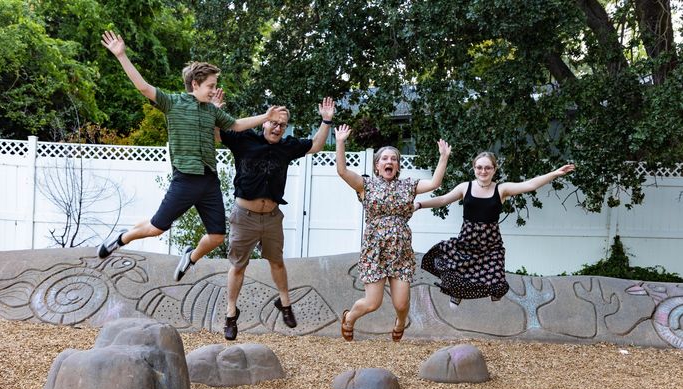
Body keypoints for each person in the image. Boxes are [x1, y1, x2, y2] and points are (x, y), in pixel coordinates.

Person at [96, 30, 288, 282]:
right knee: (156, 228)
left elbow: (236, 125)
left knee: (217, 236)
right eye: (210, 86)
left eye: (215, 86)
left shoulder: (211, 111)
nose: (213, 90)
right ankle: (122, 238)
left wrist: (266, 116)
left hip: (209, 181)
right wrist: (121, 55)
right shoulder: (172, 102)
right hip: (185, 179)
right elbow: (143, 87)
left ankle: (191, 256)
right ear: (195, 84)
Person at [216, 97, 336, 340]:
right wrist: (216, 112)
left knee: (277, 262)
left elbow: (315, 145)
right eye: (274, 122)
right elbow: (218, 135)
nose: (278, 127)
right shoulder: (245, 140)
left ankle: (285, 304)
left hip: (271, 217)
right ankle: (230, 314)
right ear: (264, 122)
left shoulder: (287, 146)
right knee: (239, 265)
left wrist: (326, 120)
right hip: (244, 216)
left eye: (283, 124)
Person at [335, 124, 451, 342]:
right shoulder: (365, 185)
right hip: (375, 250)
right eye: (385, 159)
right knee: (373, 303)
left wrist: (443, 157)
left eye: (393, 159)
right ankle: (349, 318)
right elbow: (342, 171)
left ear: (397, 166)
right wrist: (340, 142)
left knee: (401, 303)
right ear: (377, 165)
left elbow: (435, 183)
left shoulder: (408, 186)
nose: (389, 162)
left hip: (401, 250)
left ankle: (399, 321)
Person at [417, 152, 575, 305]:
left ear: (494, 169)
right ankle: (456, 293)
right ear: (474, 168)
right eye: (479, 167)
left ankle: (478, 292)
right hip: (467, 242)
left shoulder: (501, 189)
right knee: (452, 266)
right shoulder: (465, 187)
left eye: (487, 168)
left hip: (491, 244)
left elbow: (529, 185)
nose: (483, 171)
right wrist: (419, 204)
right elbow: (443, 199)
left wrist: (555, 173)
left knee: (497, 285)